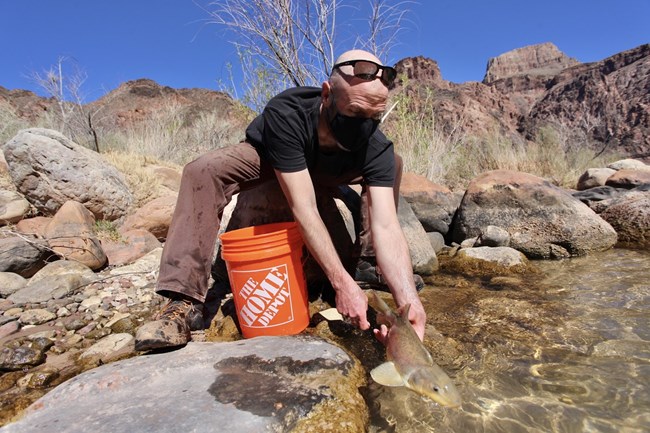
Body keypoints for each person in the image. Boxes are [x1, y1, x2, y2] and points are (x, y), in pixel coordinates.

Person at [134, 49, 427, 351]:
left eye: (374, 115)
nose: (364, 125)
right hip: (272, 161)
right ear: (326, 95)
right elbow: (304, 207)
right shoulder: (289, 113)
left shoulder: (373, 144)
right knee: (202, 171)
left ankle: (367, 265)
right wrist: (341, 283)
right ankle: (182, 300)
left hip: (331, 170)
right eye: (354, 113)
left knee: (393, 162)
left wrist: (409, 302)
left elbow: (388, 227)